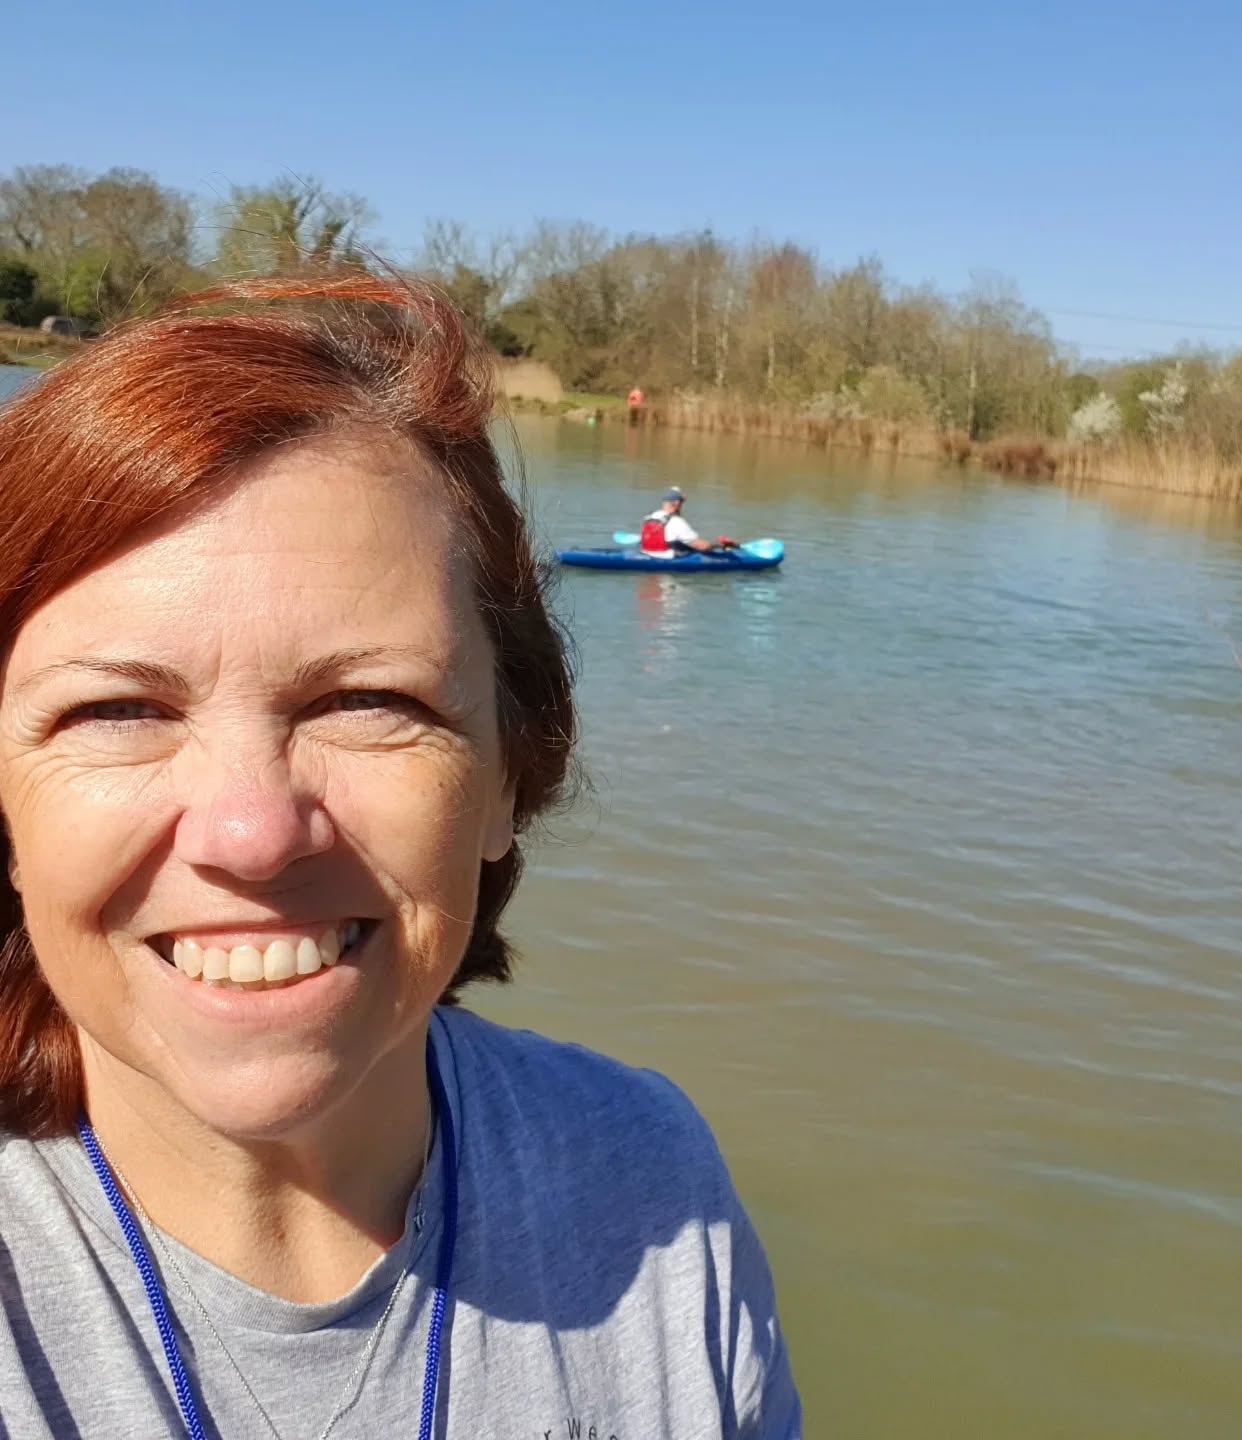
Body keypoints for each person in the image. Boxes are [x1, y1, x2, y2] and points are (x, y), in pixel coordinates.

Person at [0, 272, 800, 1438]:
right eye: (118, 711)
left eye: (369, 700)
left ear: (508, 780)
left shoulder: (652, 1188)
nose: (251, 833)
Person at [640, 486, 734, 556]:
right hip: (667, 559)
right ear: (677, 503)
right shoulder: (677, 522)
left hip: (647, 553)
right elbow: (702, 546)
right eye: (681, 502)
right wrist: (720, 545)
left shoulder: (649, 516)